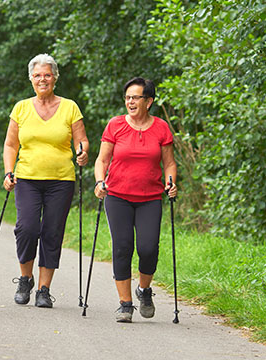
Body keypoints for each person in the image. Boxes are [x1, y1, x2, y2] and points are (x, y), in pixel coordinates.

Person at [3, 53, 89, 308]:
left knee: (52, 232)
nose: (43, 79)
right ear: (31, 78)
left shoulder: (70, 107)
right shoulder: (21, 108)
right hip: (27, 178)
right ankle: (25, 278)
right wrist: (9, 172)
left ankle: (43, 289)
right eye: (38, 75)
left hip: (61, 180)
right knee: (27, 229)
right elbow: (10, 144)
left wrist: (82, 152)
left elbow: (81, 140)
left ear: (55, 78)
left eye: (47, 75)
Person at [93, 77, 177, 322]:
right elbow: (102, 160)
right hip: (117, 195)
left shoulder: (161, 128)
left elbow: (169, 163)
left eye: (135, 97)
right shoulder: (115, 125)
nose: (130, 102)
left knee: (148, 249)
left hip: (150, 197)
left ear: (148, 101)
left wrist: (171, 183)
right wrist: (100, 182)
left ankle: (144, 290)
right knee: (122, 247)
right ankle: (125, 304)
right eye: (127, 97)